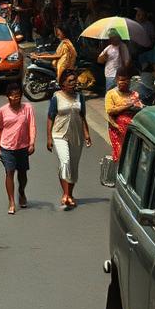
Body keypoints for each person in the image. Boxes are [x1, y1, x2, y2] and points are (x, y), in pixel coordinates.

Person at [46, 69, 92, 210]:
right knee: (65, 161)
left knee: (73, 166)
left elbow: (82, 115)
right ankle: (65, 195)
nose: (73, 83)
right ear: (63, 84)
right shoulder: (57, 97)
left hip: (76, 135)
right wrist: (49, 138)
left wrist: (86, 134)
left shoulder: (80, 97)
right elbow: (50, 117)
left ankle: (70, 194)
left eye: (74, 80)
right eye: (70, 81)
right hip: (59, 134)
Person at [0, 82, 36, 215]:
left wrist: (32, 143)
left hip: (23, 146)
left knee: (22, 174)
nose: (15, 98)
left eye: (18, 95)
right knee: (9, 172)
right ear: (8, 97)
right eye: (12, 96)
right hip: (7, 146)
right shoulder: (2, 110)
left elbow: (32, 126)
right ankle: (11, 201)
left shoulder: (27, 108)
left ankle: (21, 192)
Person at [105, 73, 143, 162]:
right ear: (116, 81)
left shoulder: (135, 94)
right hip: (118, 128)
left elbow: (139, 107)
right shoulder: (111, 94)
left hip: (133, 128)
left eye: (126, 80)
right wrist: (128, 106)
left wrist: (137, 107)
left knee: (132, 153)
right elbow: (110, 111)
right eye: (121, 80)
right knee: (120, 153)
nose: (123, 82)